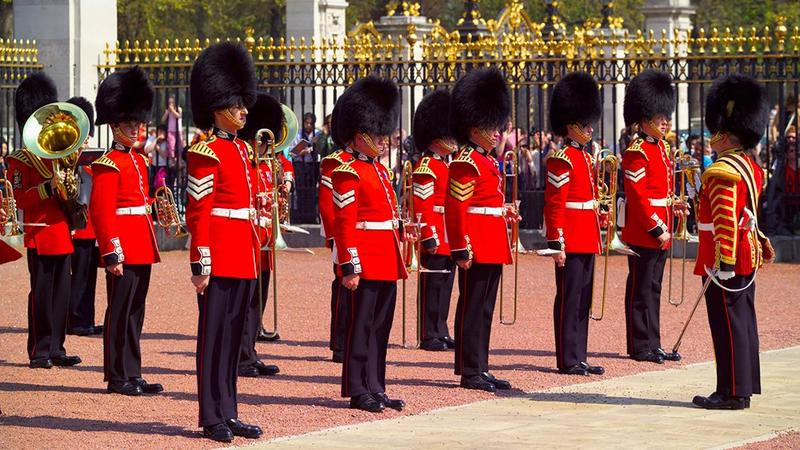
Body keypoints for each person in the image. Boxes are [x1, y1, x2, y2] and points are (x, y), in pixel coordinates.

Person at [186, 42, 262, 443]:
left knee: (233, 341)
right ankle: (211, 415)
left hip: (243, 254)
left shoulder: (243, 149)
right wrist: (201, 263)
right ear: (218, 107)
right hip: (219, 256)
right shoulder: (206, 152)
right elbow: (199, 213)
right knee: (214, 339)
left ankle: (229, 411)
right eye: (236, 104)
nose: (243, 110)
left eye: (243, 102)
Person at [692, 74, 774, 410]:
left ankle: (732, 392)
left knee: (727, 324)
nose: (712, 137)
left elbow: (725, 220)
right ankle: (741, 387)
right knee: (742, 322)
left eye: (716, 132)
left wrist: (723, 261)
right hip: (745, 252)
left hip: (725, 257)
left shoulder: (721, 170)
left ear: (725, 134)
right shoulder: (750, 166)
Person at [331, 76, 407, 413]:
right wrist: (350, 264)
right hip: (364, 259)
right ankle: (358, 388)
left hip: (386, 257)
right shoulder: (347, 172)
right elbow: (345, 223)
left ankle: (376, 385)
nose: (383, 139)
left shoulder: (380, 171)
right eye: (377, 134)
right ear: (360, 134)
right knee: (360, 326)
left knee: (380, 327)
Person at [90, 67, 162, 396]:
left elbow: (141, 202)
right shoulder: (107, 163)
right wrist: (112, 253)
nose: (135, 128)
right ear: (115, 124)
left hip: (142, 242)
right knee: (119, 312)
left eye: (137, 123)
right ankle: (117, 376)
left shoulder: (139, 160)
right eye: (129, 123)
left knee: (136, 311)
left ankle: (133, 372)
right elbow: (102, 212)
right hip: (122, 246)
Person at [445, 68, 517, 393]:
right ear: (475, 128)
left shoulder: (486, 160)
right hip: (475, 244)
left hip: (492, 241)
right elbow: (457, 208)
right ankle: (469, 369)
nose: (497, 133)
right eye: (492, 127)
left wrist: (504, 212)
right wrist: (460, 246)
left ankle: (481, 366)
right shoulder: (466, 161)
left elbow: (485, 203)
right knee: (473, 307)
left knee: (485, 308)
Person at [6, 72, 82, 369]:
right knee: (41, 293)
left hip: (61, 230)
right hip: (39, 232)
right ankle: (39, 350)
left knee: (62, 293)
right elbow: (19, 198)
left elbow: (70, 190)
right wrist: (47, 188)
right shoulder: (20, 160)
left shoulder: (56, 154)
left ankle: (57, 347)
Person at [620, 68, 687, 364]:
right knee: (641, 289)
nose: (665, 122)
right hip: (644, 231)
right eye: (660, 117)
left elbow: (662, 192)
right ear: (645, 119)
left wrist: (674, 206)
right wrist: (657, 228)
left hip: (661, 228)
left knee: (654, 288)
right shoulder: (637, 152)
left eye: (665, 117)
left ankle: (654, 342)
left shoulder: (661, 148)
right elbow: (637, 197)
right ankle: (639, 345)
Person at [544, 72, 606, 376]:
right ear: (571, 126)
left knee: (583, 299)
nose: (590, 129)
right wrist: (556, 243)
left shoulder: (585, 157)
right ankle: (567, 358)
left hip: (587, 235)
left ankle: (579, 355)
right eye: (585, 124)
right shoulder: (562, 159)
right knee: (570, 299)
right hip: (570, 237)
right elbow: (555, 204)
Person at [235, 91, 283, 378]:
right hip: (251, 237)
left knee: (258, 300)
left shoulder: (266, 167)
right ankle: (242, 355)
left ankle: (250, 350)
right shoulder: (248, 165)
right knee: (246, 299)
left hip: (265, 238)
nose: (265, 145)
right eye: (262, 140)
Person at [410, 89, 457, 352]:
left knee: (445, 284)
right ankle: (429, 333)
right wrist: (429, 236)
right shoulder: (426, 166)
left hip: (448, 233)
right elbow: (422, 205)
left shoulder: (446, 164)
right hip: (436, 233)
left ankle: (441, 329)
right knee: (433, 285)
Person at [319, 104, 354, 363]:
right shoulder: (335, 161)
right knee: (343, 286)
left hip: (364, 236)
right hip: (343, 234)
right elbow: (326, 203)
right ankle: (340, 343)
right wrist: (334, 236)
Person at [65, 96, 103, 337]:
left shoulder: (90, 157)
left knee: (89, 276)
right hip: (76, 226)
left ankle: (86, 318)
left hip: (90, 226)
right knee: (77, 275)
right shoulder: (67, 156)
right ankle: (75, 319)